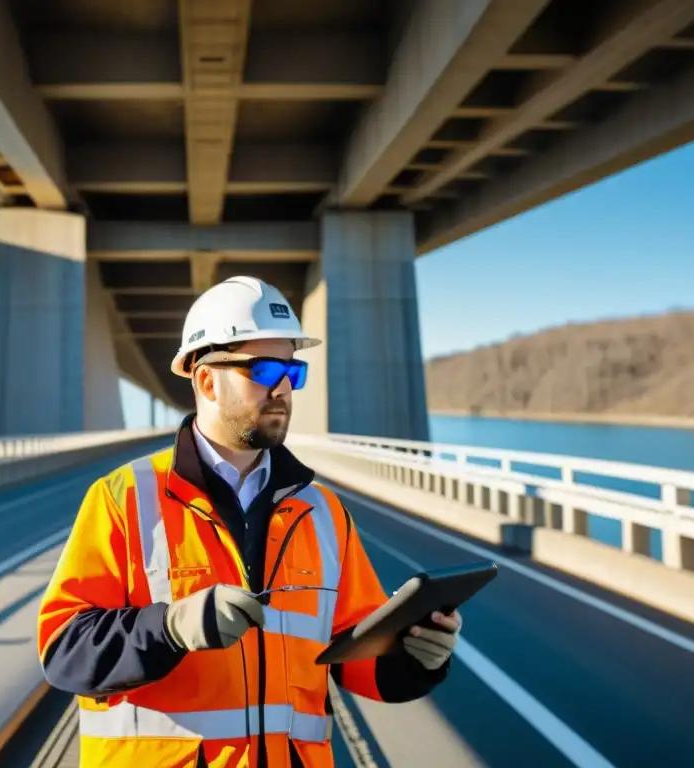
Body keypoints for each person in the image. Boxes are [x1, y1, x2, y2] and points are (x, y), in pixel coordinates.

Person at [36, 276, 461, 767]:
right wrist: (170, 628)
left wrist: (418, 658)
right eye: (264, 369)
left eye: (292, 372)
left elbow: (358, 659)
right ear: (205, 380)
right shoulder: (124, 498)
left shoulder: (322, 512)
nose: (283, 388)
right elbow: (64, 651)